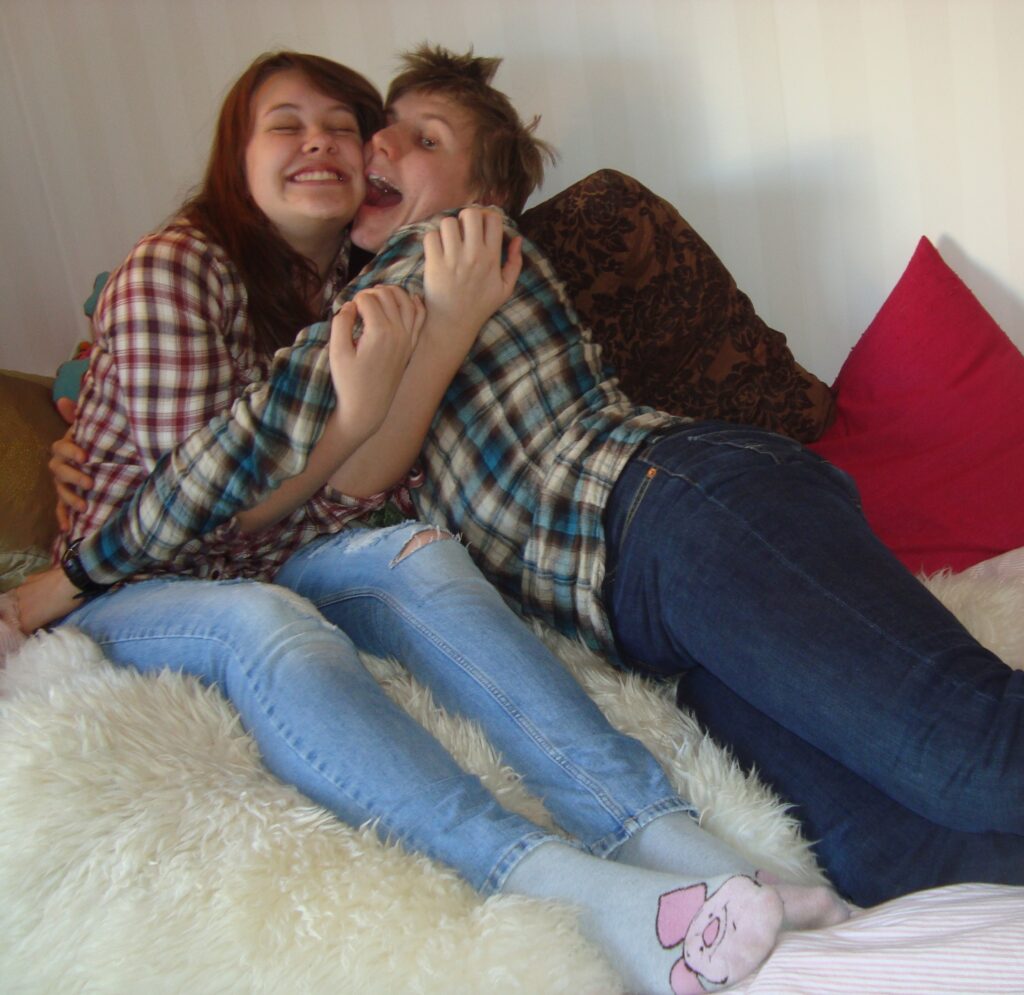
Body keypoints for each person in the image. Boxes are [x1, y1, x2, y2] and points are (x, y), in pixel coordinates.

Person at [16, 44, 1024, 910]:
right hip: (634, 606)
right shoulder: (370, 301)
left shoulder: (450, 248)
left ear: (485, 194)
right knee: (892, 853)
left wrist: (85, 568)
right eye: (383, 133)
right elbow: (353, 479)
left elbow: (262, 433)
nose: (376, 150)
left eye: (420, 138)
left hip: (675, 509)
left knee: (967, 753)